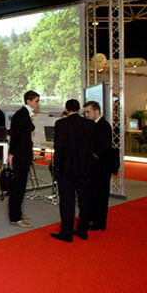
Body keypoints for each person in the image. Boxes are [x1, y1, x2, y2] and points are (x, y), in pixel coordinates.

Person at [50, 99, 96, 242]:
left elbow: (59, 148)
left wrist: (55, 167)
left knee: (67, 202)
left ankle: (66, 233)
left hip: (66, 169)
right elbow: (92, 147)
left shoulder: (61, 124)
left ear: (66, 109)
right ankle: (82, 230)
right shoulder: (89, 124)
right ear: (79, 109)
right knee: (84, 201)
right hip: (85, 169)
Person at [7, 90, 40, 228]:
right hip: (20, 155)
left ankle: (18, 212)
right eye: (36, 101)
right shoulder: (21, 115)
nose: (38, 104)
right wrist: (12, 154)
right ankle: (15, 217)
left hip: (23, 154)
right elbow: (15, 136)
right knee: (18, 187)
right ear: (28, 101)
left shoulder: (25, 114)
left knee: (20, 186)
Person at [83, 100, 114, 230]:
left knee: (100, 195)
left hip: (101, 167)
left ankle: (99, 222)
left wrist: (93, 154)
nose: (86, 115)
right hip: (93, 166)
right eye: (85, 112)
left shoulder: (104, 126)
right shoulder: (92, 125)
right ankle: (92, 217)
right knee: (92, 193)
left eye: (88, 112)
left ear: (97, 112)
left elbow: (104, 146)